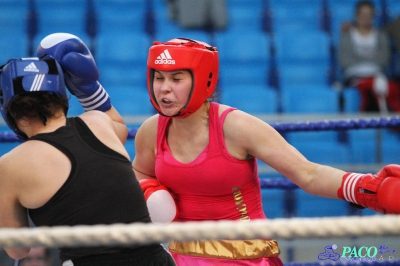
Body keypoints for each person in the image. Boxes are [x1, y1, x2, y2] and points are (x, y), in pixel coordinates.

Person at [132, 37, 400, 266]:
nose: (164, 87)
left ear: (203, 80)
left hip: (246, 256)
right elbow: (140, 170)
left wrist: (367, 188)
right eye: (159, 77)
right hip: (181, 256)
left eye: (176, 78)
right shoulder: (152, 130)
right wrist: (147, 188)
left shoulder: (236, 127)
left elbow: (308, 174)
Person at [0, 33, 176, 266]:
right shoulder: (98, 123)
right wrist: (88, 89)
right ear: (61, 96)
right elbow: (120, 128)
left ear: (11, 111)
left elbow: (17, 249)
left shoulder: (10, 165)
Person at [338, 0, 400, 113]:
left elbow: (384, 59)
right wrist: (370, 61)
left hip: (377, 75)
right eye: (362, 14)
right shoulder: (346, 36)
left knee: (392, 88)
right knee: (379, 86)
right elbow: (345, 61)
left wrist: (360, 59)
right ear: (356, 16)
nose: (365, 18)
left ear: (373, 16)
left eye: (369, 14)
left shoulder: (381, 36)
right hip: (354, 77)